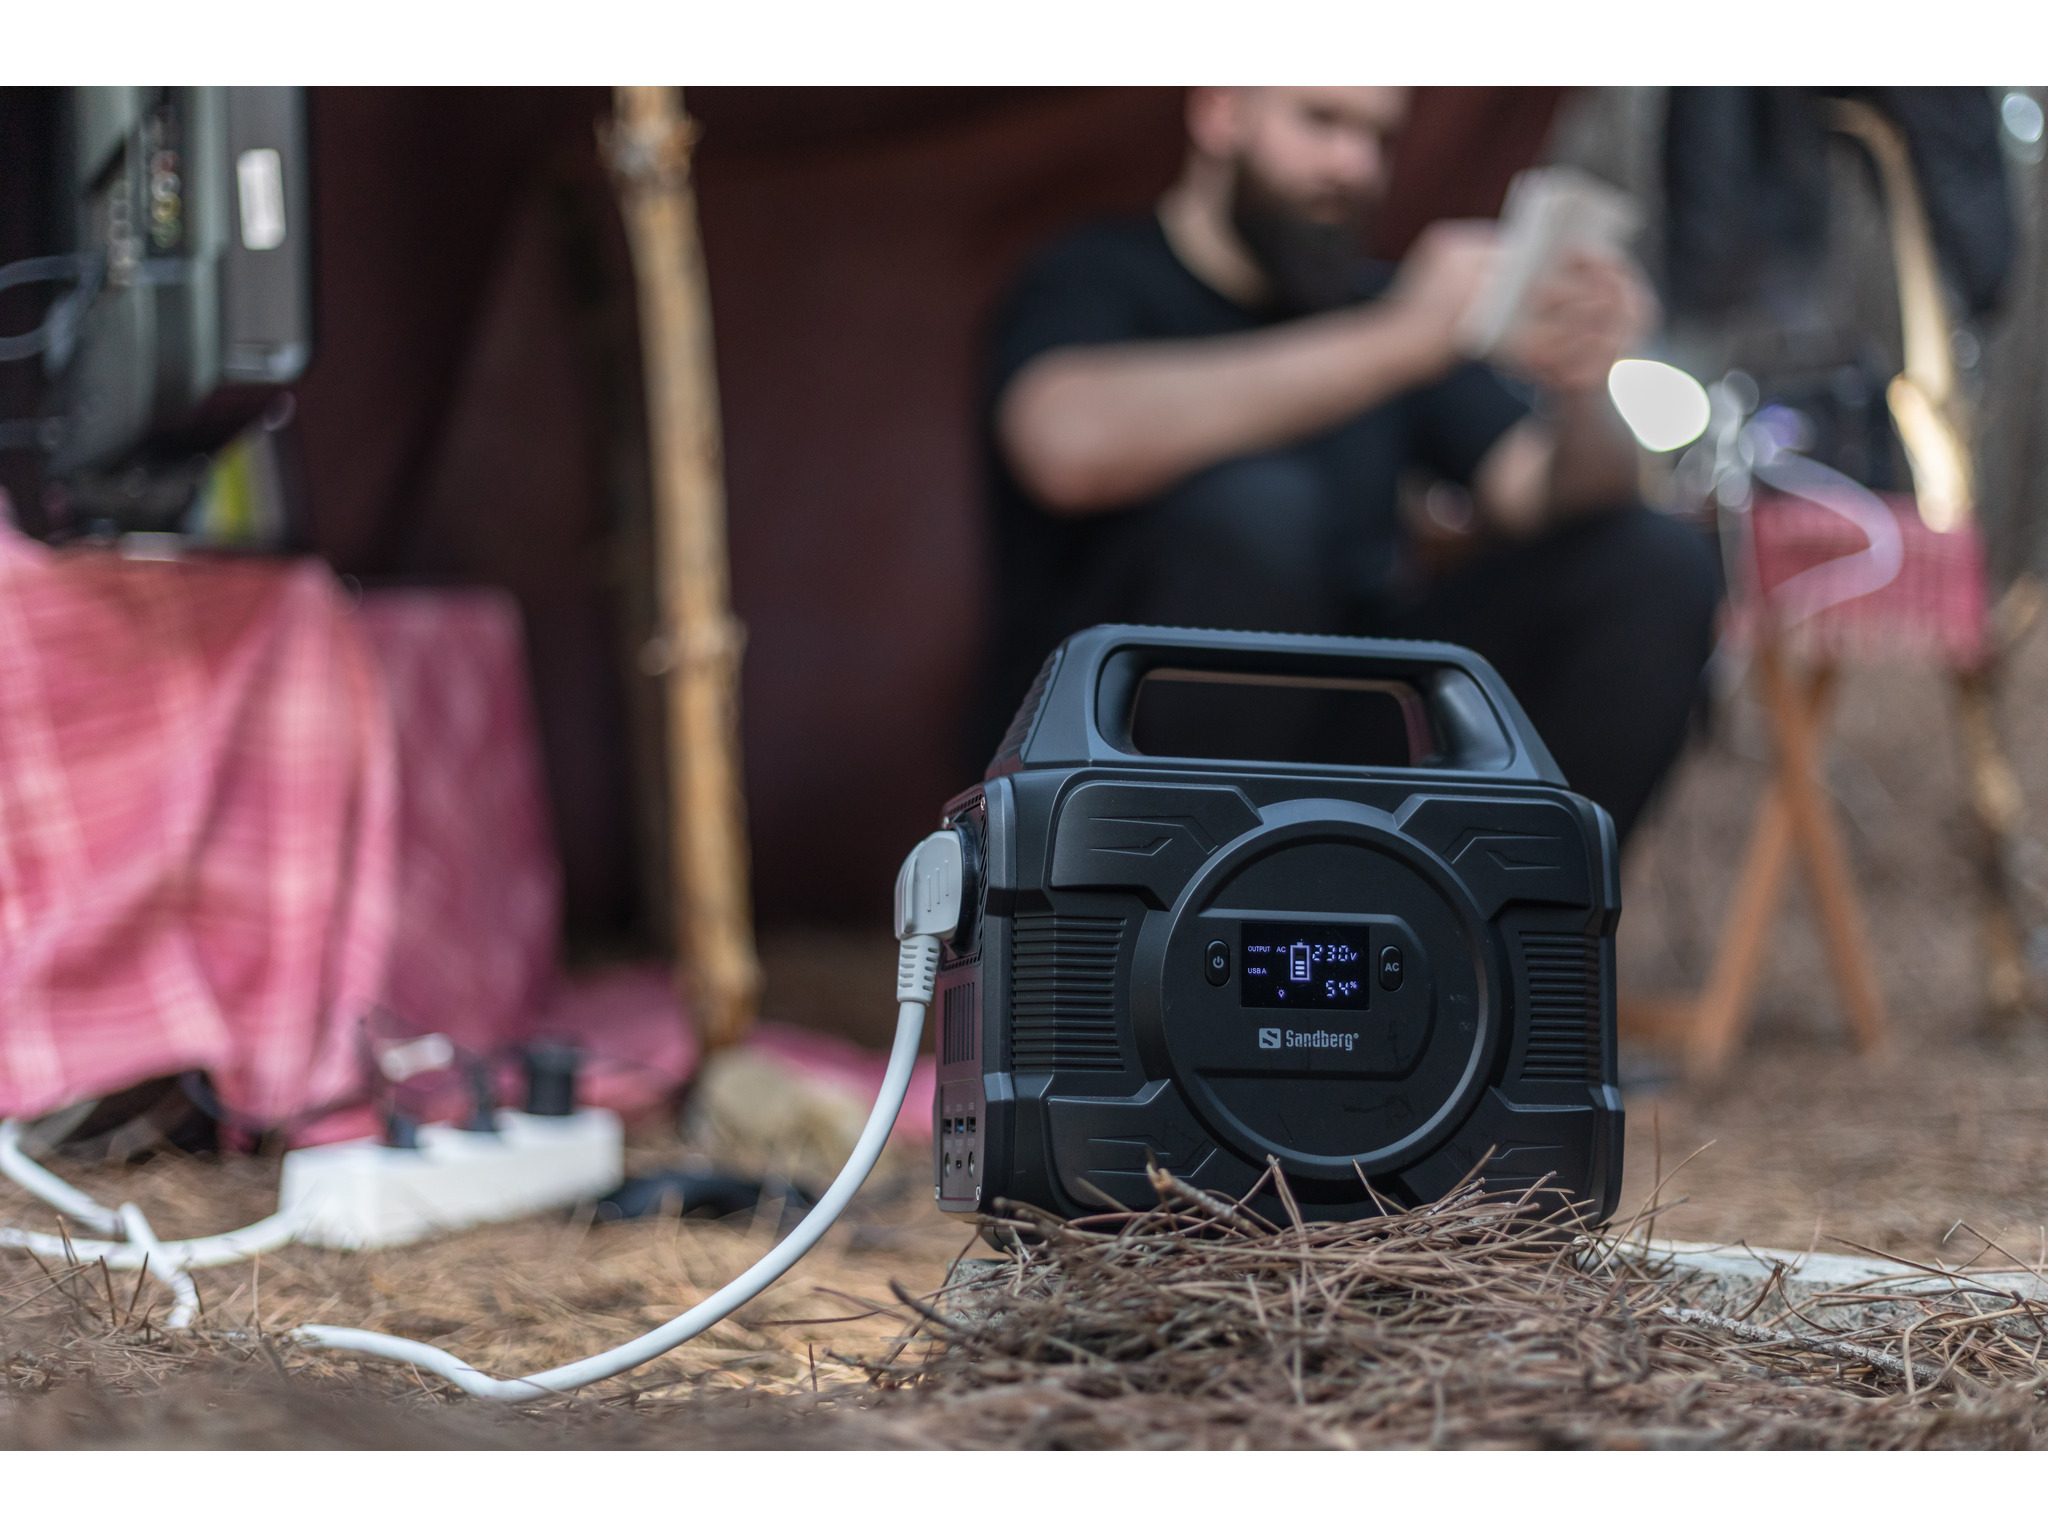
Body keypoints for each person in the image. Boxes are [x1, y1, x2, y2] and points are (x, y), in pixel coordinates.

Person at [976, 86, 1719, 842]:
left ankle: (1530, 907)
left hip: (1349, 734)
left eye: (1378, 138)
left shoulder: (1379, 306)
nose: (1354, 165)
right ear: (1222, 112)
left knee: (1656, 561)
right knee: (1258, 512)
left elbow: (1539, 490)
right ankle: (1191, 902)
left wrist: (1586, 385)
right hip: (1117, 757)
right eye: (1320, 120)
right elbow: (1061, 445)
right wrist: (1403, 338)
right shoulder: (1099, 274)